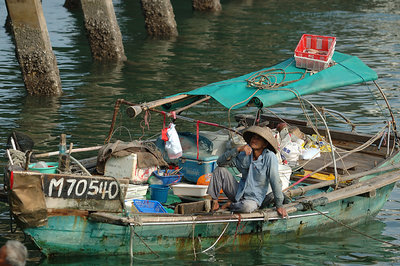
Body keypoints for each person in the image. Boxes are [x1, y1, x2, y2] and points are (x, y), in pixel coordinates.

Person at [207, 126, 288, 217]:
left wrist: (279, 205)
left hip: (253, 200)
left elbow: (275, 181)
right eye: (253, 137)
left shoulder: (269, 157)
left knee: (247, 207)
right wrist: (237, 149)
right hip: (238, 193)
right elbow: (220, 162)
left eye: (258, 139)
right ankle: (214, 202)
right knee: (219, 170)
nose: (254, 140)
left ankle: (230, 205)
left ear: (264, 144)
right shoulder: (244, 154)